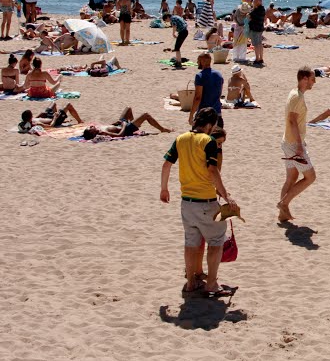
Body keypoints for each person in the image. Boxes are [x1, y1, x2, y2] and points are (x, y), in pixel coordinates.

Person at [159, 107, 235, 297]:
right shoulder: (207, 141)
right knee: (216, 241)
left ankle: (191, 282)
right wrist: (226, 196)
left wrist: (164, 188)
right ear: (209, 125)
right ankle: (211, 284)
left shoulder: (180, 139)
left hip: (186, 202)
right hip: (205, 200)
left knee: (191, 243)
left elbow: (166, 164)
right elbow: (212, 170)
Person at [279, 67, 317, 223]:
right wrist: (300, 146)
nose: (314, 82)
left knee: (291, 177)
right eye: (312, 78)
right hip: (294, 143)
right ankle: (284, 203)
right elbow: (292, 120)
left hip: (288, 141)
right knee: (310, 176)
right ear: (305, 79)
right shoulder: (297, 97)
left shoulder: (295, 93)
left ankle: (282, 215)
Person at [82, 107, 172, 140]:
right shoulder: (102, 133)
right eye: (91, 128)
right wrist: (124, 125)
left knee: (128, 109)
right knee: (146, 115)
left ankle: (135, 125)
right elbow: (119, 135)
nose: (91, 126)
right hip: (126, 129)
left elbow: (112, 128)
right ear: (92, 133)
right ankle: (162, 129)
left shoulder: (99, 129)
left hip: (120, 125)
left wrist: (115, 124)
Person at [189, 52, 225, 126]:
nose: (197, 62)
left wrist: (191, 115)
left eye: (198, 60)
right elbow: (219, 92)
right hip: (217, 112)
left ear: (202, 61)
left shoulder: (200, 76)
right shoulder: (218, 75)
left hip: (204, 114)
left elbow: (198, 97)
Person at [18, 103, 83, 132]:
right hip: (54, 120)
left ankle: (61, 118)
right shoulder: (37, 124)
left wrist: (42, 114)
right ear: (30, 117)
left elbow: (40, 116)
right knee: (68, 105)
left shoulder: (29, 120)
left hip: (47, 117)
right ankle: (80, 121)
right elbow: (51, 126)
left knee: (53, 103)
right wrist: (55, 117)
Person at [248, 0, 266, 66]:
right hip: (260, 28)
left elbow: (249, 16)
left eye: (254, 2)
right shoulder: (263, 9)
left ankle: (257, 59)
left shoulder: (255, 11)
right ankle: (261, 58)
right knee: (260, 43)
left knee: (256, 44)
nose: (253, 3)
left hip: (255, 28)